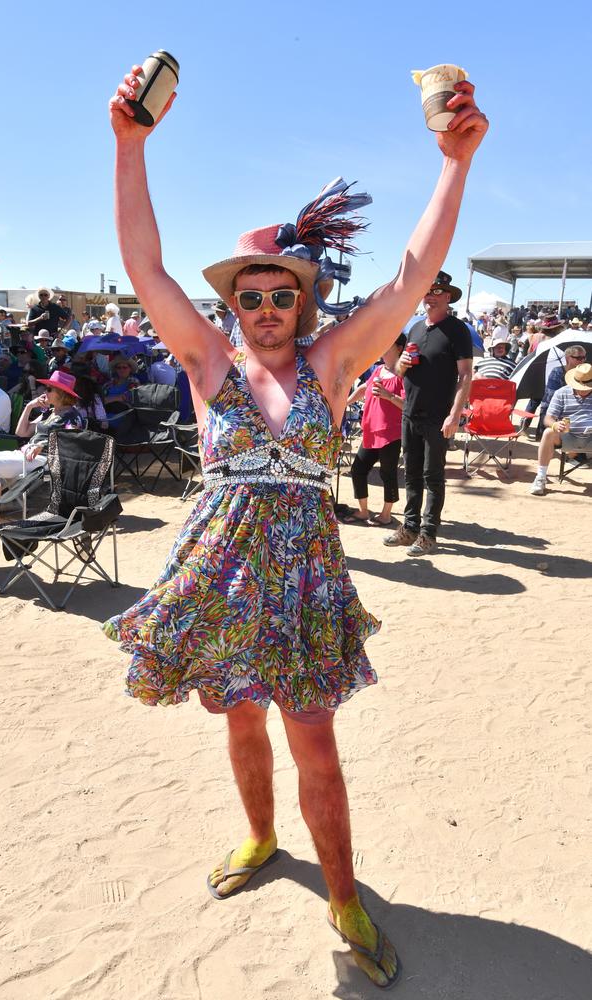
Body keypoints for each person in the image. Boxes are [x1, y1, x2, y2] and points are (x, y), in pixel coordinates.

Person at [105, 62, 487, 989]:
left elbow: (411, 278)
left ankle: (345, 894)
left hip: (306, 580)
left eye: (283, 296)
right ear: (233, 304)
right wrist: (130, 148)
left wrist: (454, 166)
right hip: (223, 579)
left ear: (303, 304)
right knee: (240, 727)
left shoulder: (331, 365)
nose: (268, 310)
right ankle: (262, 837)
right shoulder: (205, 363)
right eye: (253, 296)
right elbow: (145, 267)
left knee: (314, 738)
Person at [384, 271, 473, 556]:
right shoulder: (415, 329)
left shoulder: (457, 329)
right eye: (427, 291)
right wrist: (403, 363)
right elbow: (397, 372)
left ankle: (428, 535)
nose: (430, 296)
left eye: (436, 292)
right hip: (410, 413)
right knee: (410, 474)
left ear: (448, 297)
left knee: (432, 476)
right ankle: (409, 528)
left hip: (438, 416)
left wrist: (454, 414)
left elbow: (466, 375)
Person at [0, 370, 84, 536]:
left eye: (49, 389)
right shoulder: (49, 412)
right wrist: (29, 406)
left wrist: (43, 444)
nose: (43, 391)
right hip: (27, 454)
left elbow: (72, 441)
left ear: (61, 394)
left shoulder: (72, 416)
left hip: (47, 459)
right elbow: (21, 432)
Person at [342, 333, 405, 526]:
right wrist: (344, 403)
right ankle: (363, 511)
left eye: (388, 344)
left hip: (390, 433)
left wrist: (388, 396)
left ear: (399, 349)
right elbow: (363, 388)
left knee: (388, 473)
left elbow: (408, 405)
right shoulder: (378, 370)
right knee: (358, 469)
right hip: (371, 430)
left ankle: (386, 515)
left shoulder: (402, 375)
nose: (383, 348)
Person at [529, 363, 592, 496]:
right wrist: (555, 425)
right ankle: (540, 477)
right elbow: (548, 419)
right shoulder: (562, 393)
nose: (583, 390)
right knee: (548, 432)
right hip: (567, 436)